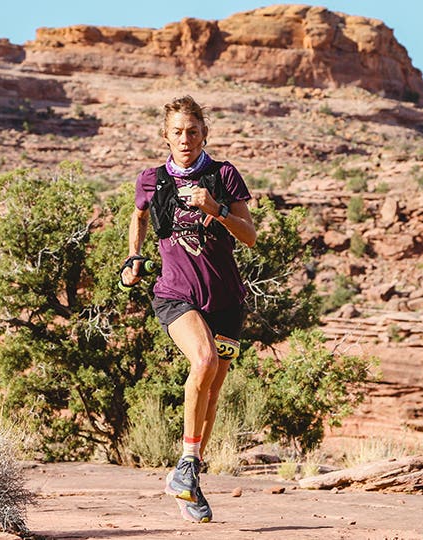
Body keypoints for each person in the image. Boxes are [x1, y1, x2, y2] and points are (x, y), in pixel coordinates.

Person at [122, 95, 256, 523]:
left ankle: (188, 476)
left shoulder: (223, 175)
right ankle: (185, 465)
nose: (185, 139)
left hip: (228, 303)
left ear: (204, 135)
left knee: (214, 388)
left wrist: (215, 210)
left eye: (193, 131)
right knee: (204, 359)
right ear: (166, 135)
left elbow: (249, 236)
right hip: (175, 294)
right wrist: (134, 258)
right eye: (177, 132)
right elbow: (138, 216)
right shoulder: (152, 179)